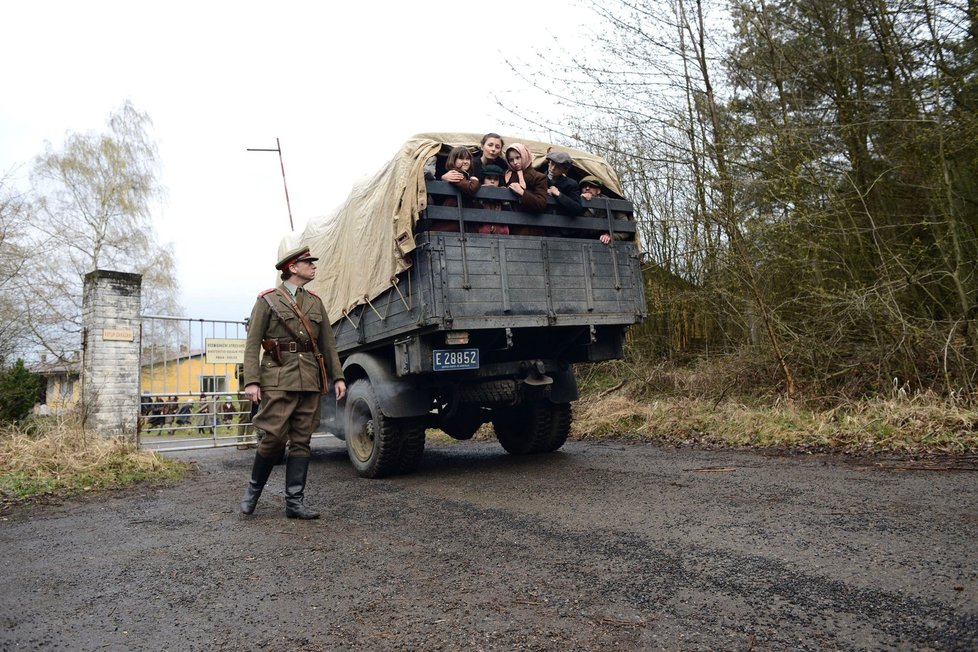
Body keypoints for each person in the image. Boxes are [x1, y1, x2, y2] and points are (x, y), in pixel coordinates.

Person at [240, 245, 347, 520]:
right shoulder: (268, 301)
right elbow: (252, 344)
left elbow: (328, 344)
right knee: (273, 437)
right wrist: (251, 381)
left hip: (309, 378)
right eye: (308, 262)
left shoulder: (315, 302)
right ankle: (253, 491)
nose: (313, 266)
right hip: (277, 377)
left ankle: (294, 503)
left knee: (302, 440)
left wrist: (338, 377)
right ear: (292, 268)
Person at [502, 143, 548, 216]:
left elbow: (541, 204)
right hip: (507, 221)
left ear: (524, 156)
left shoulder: (539, 177)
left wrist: (522, 192)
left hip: (529, 222)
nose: (515, 162)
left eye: (518, 157)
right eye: (511, 160)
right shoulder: (506, 176)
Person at [580, 175, 628, 244]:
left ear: (598, 191)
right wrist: (580, 202)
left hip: (605, 246)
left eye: (591, 186)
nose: (587, 188)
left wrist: (611, 236)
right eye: (584, 187)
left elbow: (626, 229)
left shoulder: (612, 204)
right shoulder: (576, 203)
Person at [545, 151, 584, 217]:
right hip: (540, 222)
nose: (553, 168)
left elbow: (576, 208)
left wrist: (558, 194)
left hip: (562, 223)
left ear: (564, 170)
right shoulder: (538, 178)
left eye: (558, 167)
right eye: (552, 164)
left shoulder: (571, 184)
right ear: (549, 163)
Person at [474, 164, 509, 235]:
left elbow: (509, 217)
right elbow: (474, 216)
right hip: (481, 236)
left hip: (502, 236)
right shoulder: (477, 195)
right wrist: (481, 196)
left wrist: (505, 201)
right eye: (489, 178)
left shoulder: (502, 197)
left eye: (496, 179)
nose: (492, 181)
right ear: (483, 180)